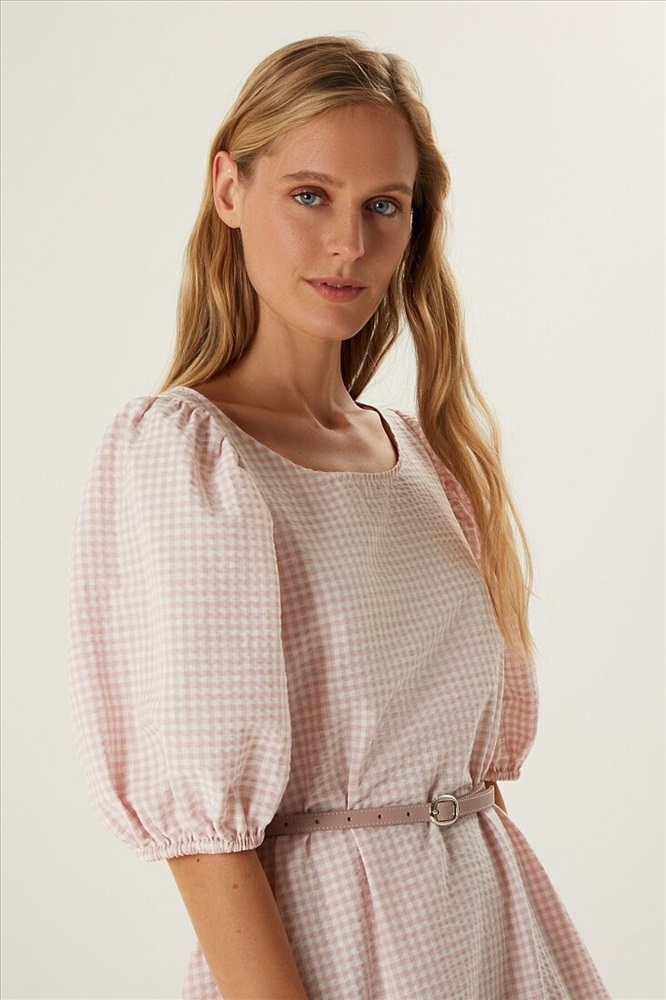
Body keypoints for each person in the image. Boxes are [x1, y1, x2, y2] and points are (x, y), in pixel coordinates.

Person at [67, 35, 612, 1000]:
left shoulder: (425, 457)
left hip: (495, 929)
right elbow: (208, 843)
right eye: (310, 195)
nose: (348, 246)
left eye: (382, 207)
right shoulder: (193, 459)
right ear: (229, 189)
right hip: (342, 951)